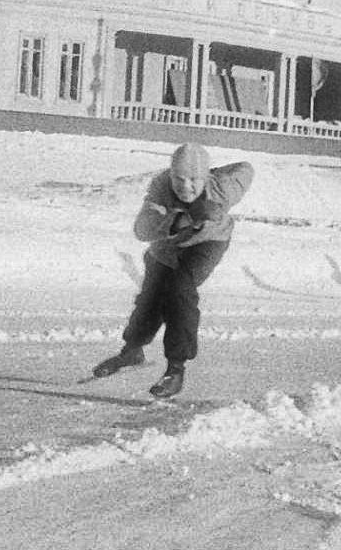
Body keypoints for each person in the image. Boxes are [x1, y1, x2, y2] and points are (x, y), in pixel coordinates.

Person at [92, 142, 254, 398]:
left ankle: (175, 368)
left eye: (194, 180)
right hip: (167, 245)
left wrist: (210, 173)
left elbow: (246, 169)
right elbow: (142, 230)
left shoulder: (221, 187)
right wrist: (178, 220)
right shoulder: (161, 186)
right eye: (179, 179)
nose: (186, 187)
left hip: (209, 242)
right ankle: (132, 351)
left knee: (179, 289)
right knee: (151, 296)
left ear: (205, 178)